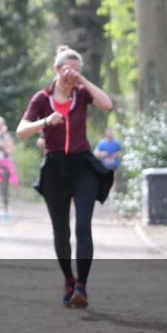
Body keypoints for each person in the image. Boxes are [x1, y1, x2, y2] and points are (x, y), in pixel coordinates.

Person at [16, 45, 113, 309]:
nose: (73, 76)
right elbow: (21, 130)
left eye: (78, 72)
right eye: (69, 70)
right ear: (57, 70)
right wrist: (45, 122)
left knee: (83, 226)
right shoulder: (42, 98)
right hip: (55, 169)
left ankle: (81, 285)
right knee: (61, 231)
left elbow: (107, 105)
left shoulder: (82, 94)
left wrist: (83, 80)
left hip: (83, 167)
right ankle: (68, 279)